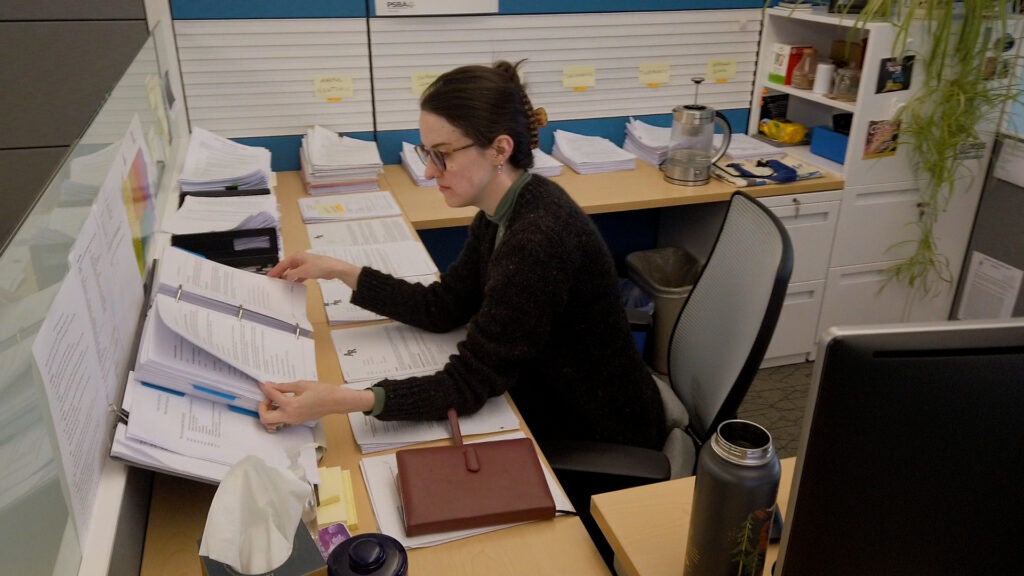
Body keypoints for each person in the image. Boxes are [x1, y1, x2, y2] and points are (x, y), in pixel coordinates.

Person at [259, 60, 666, 452]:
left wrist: (343, 401)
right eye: (427, 154)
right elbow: (443, 308)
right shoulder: (502, 211)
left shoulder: (537, 237)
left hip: (592, 428)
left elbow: (470, 383)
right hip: (544, 391)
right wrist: (339, 270)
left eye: (444, 154)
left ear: (499, 149)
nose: (431, 172)